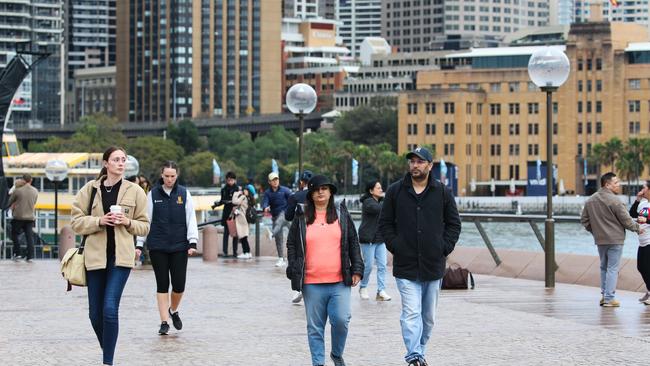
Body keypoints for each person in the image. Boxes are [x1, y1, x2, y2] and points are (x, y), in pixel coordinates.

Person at [378, 147, 461, 366]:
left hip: (433, 265)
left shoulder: (442, 192)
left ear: (430, 165)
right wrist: (395, 245)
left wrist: (443, 247)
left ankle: (420, 351)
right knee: (411, 312)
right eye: (412, 161)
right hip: (405, 265)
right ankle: (414, 355)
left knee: (428, 318)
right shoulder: (396, 191)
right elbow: (385, 223)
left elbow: (454, 224)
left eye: (420, 162)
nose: (415, 165)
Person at [70, 146, 150, 366]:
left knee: (109, 308)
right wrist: (98, 221)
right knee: (94, 315)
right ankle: (109, 350)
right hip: (95, 259)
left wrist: (127, 222)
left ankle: (108, 362)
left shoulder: (135, 191)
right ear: (106, 163)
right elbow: (75, 222)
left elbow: (144, 226)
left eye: (123, 159)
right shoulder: (90, 189)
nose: (121, 163)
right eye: (116, 159)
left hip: (121, 259)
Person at [286, 175, 364, 366]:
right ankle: (318, 363)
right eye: (316, 189)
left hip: (339, 280)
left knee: (341, 320)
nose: (321, 192)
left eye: (325, 188)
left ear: (330, 192)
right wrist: (294, 266)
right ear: (310, 194)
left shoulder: (341, 214)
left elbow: (353, 241)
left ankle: (336, 354)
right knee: (315, 328)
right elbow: (291, 244)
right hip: (311, 283)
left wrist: (357, 269)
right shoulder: (301, 216)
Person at [136, 161, 198, 335]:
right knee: (162, 284)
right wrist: (139, 244)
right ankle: (164, 321)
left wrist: (192, 241)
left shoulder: (184, 194)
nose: (169, 179)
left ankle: (173, 310)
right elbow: (145, 220)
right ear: (162, 175)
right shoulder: (153, 194)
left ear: (176, 175)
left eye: (172, 176)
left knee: (179, 285)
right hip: (158, 245)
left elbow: (191, 218)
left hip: (179, 245)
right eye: (166, 176)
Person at [581, 172, 643, 308]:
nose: (618, 185)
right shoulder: (615, 200)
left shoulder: (590, 200)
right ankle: (609, 298)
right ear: (607, 184)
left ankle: (604, 296)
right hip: (615, 239)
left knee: (604, 267)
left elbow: (584, 220)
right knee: (613, 268)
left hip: (600, 240)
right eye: (615, 183)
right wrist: (638, 228)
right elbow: (626, 220)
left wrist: (595, 231)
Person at [358, 180, 391, 301]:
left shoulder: (380, 202)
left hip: (380, 239)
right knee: (369, 265)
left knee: (382, 265)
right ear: (371, 191)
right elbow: (379, 209)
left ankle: (381, 291)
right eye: (378, 188)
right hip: (368, 238)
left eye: (381, 187)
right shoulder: (368, 203)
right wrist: (390, 203)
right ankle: (363, 287)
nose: (381, 190)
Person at [286, 169, 313, 304]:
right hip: (317, 229)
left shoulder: (295, 196)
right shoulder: (317, 195)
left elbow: (288, 216)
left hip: (300, 230)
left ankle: (299, 288)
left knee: (299, 256)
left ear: (302, 182)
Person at [262, 172, 292, 267]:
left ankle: (271, 234)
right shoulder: (267, 193)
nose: (275, 181)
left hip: (287, 216)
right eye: (273, 180)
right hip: (275, 216)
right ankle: (281, 259)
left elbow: (292, 199)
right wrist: (265, 207)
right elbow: (265, 202)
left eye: (277, 179)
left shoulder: (285, 190)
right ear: (269, 182)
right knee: (279, 240)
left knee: (296, 235)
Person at [8, 174, 38, 262]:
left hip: (18, 216)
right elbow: (34, 202)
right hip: (30, 217)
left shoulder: (18, 191)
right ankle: (30, 256)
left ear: (23, 180)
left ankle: (18, 254)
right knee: (29, 237)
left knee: (14, 234)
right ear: (31, 180)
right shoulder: (35, 191)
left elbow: (10, 201)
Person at [629, 181, 650, 305]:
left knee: (647, 268)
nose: (642, 189)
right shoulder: (643, 203)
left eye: (644, 187)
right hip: (642, 241)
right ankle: (648, 290)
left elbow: (646, 219)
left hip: (649, 241)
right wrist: (637, 200)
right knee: (640, 267)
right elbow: (632, 214)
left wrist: (647, 219)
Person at [212, 171, 240, 257]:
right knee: (226, 233)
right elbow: (222, 200)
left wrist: (230, 202)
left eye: (231, 180)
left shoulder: (237, 189)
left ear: (234, 180)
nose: (230, 182)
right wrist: (216, 205)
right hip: (226, 212)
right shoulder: (224, 189)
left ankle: (235, 252)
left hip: (234, 212)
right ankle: (225, 252)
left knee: (235, 234)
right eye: (228, 180)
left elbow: (239, 201)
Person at [232, 186, 255, 259]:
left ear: (248, 191)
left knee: (243, 237)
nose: (244, 190)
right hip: (245, 219)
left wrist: (236, 193)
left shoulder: (243, 197)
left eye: (245, 189)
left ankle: (246, 252)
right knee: (244, 236)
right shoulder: (250, 199)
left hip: (241, 219)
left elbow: (234, 202)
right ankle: (247, 252)